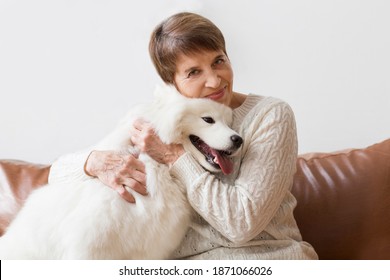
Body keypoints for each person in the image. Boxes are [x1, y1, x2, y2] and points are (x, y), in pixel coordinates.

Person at [48, 12, 318, 260]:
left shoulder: (270, 115)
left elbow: (241, 224)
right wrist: (94, 162)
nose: (215, 80)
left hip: (266, 259)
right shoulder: (158, 121)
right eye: (193, 72)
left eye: (218, 61)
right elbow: (56, 174)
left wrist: (172, 156)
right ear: (172, 83)